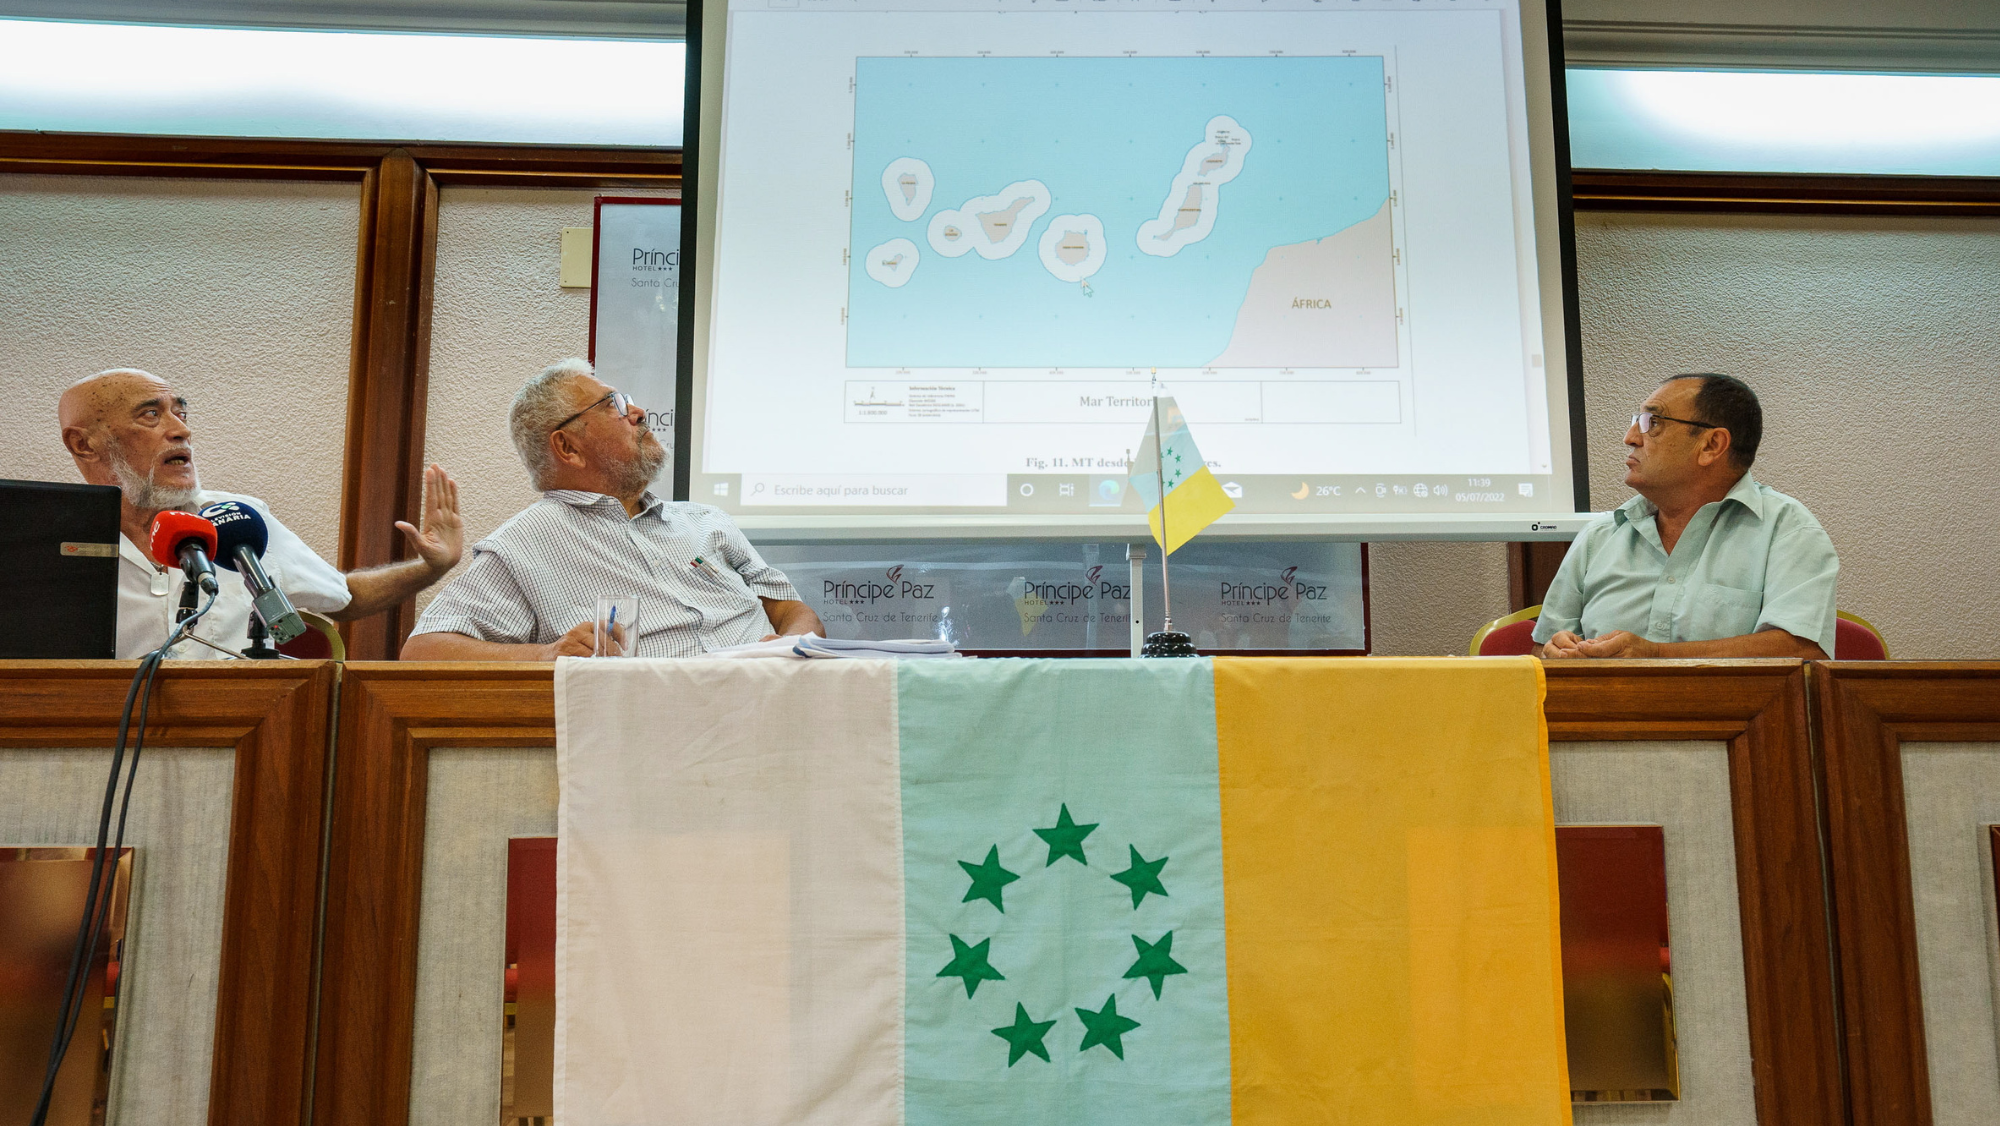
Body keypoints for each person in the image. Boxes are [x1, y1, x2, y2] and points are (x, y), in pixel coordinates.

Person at [402, 359, 822, 660]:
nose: (638, 413)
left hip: (777, 695)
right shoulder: (524, 544)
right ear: (568, 447)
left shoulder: (706, 521)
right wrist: (546, 655)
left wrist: (792, 644)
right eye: (613, 405)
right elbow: (424, 650)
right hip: (667, 724)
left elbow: (792, 611)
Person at [58, 368, 465, 659]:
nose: (181, 430)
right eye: (151, 415)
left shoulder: (238, 518)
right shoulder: (49, 535)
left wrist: (431, 567)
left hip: (240, 731)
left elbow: (345, 597)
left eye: (180, 413)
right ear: (84, 444)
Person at [1534, 373, 1837, 660]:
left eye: (1652, 423)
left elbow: (1803, 652)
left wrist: (1656, 656)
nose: (1630, 437)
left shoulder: (1788, 530)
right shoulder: (1599, 537)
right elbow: (1540, 650)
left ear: (1711, 445)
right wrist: (1554, 652)